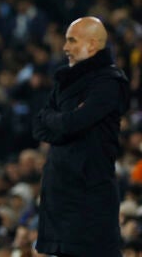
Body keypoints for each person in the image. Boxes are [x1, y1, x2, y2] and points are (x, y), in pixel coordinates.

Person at [33, 17, 129, 257]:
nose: (65, 48)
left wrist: (59, 120)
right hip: (60, 193)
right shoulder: (65, 79)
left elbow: (72, 123)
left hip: (89, 194)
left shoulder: (109, 82)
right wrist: (63, 121)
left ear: (93, 44)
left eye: (72, 40)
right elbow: (39, 125)